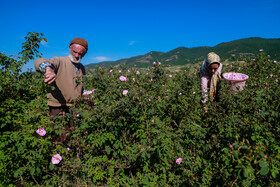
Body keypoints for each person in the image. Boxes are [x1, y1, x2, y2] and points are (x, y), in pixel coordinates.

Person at [34, 37, 88, 142]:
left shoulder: (82, 68)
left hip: (74, 108)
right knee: (58, 137)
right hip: (58, 107)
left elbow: (81, 87)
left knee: (73, 136)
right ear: (69, 48)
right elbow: (39, 61)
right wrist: (48, 69)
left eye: (80, 53)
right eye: (74, 52)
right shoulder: (60, 61)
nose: (76, 56)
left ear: (84, 53)